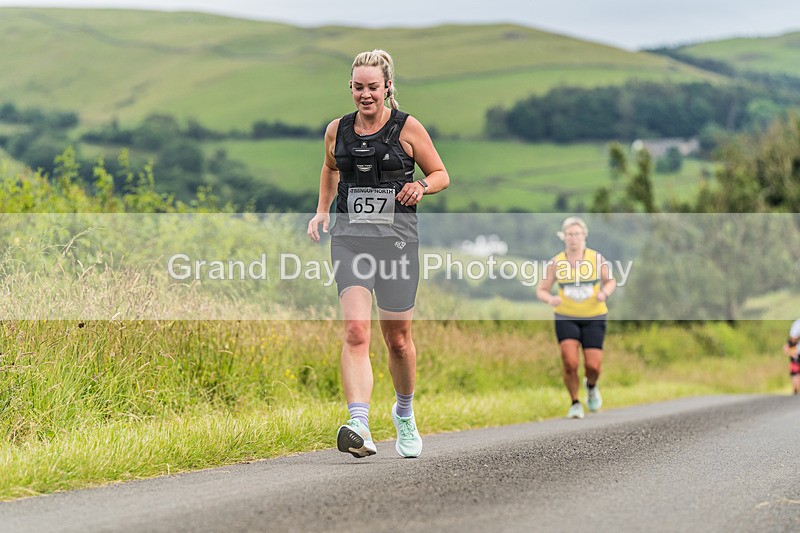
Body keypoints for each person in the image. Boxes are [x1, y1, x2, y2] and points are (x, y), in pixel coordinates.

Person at [307, 49, 449, 458]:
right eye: (358, 87)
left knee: (398, 340)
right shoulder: (337, 130)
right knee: (356, 331)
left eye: (372, 87)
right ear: (350, 87)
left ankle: (404, 412)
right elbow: (330, 168)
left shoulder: (408, 127)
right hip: (349, 239)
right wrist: (322, 211)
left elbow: (441, 174)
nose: (365, 95)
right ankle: (359, 425)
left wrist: (421, 186)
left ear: (388, 87)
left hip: (397, 242)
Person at [536, 216, 616, 419]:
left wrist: (604, 293)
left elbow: (610, 281)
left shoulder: (596, 258)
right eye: (569, 234)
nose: (573, 238)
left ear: (584, 235)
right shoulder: (556, 262)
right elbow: (542, 289)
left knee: (593, 366)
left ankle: (591, 386)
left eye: (577, 234)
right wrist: (550, 299)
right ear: (563, 237)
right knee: (570, 363)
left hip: (594, 316)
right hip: (566, 316)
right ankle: (575, 403)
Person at [782, 319, 800, 395]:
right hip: (795, 353)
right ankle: (795, 391)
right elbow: (792, 339)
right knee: (795, 374)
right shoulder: (797, 324)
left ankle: (795, 390)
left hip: (795, 350)